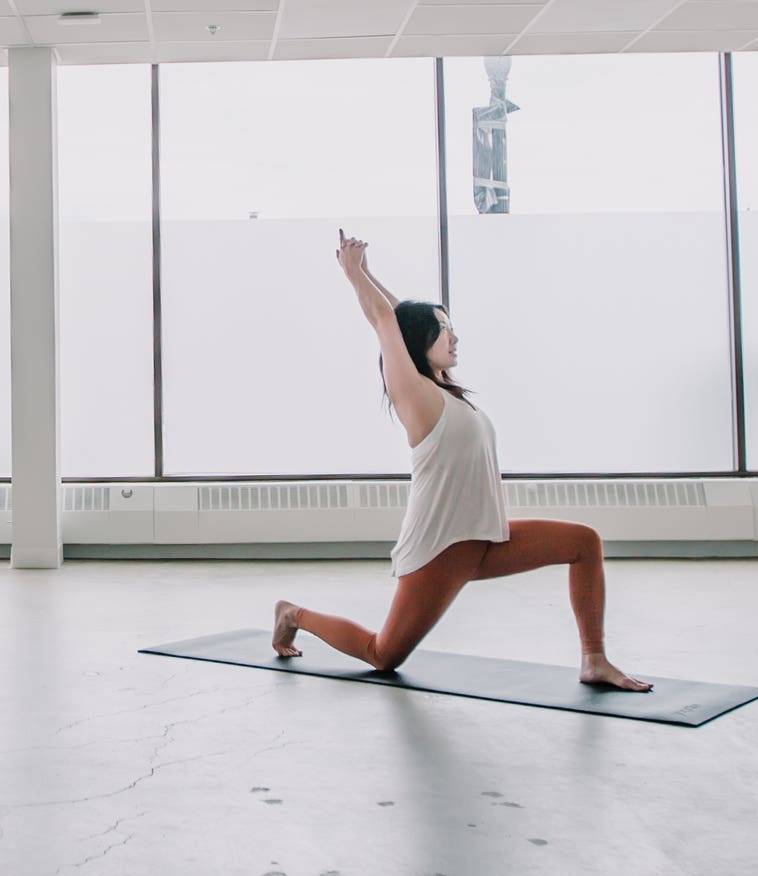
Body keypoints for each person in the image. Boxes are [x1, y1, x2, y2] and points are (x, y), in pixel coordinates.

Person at [271, 231, 651, 691]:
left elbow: (403, 317)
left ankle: (594, 660)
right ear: (420, 341)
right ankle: (294, 614)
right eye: (442, 329)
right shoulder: (415, 394)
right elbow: (387, 321)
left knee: (584, 542)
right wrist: (353, 275)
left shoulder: (448, 391)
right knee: (382, 655)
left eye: (450, 326)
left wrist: (371, 272)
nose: (453, 336)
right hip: (441, 549)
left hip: (485, 539)